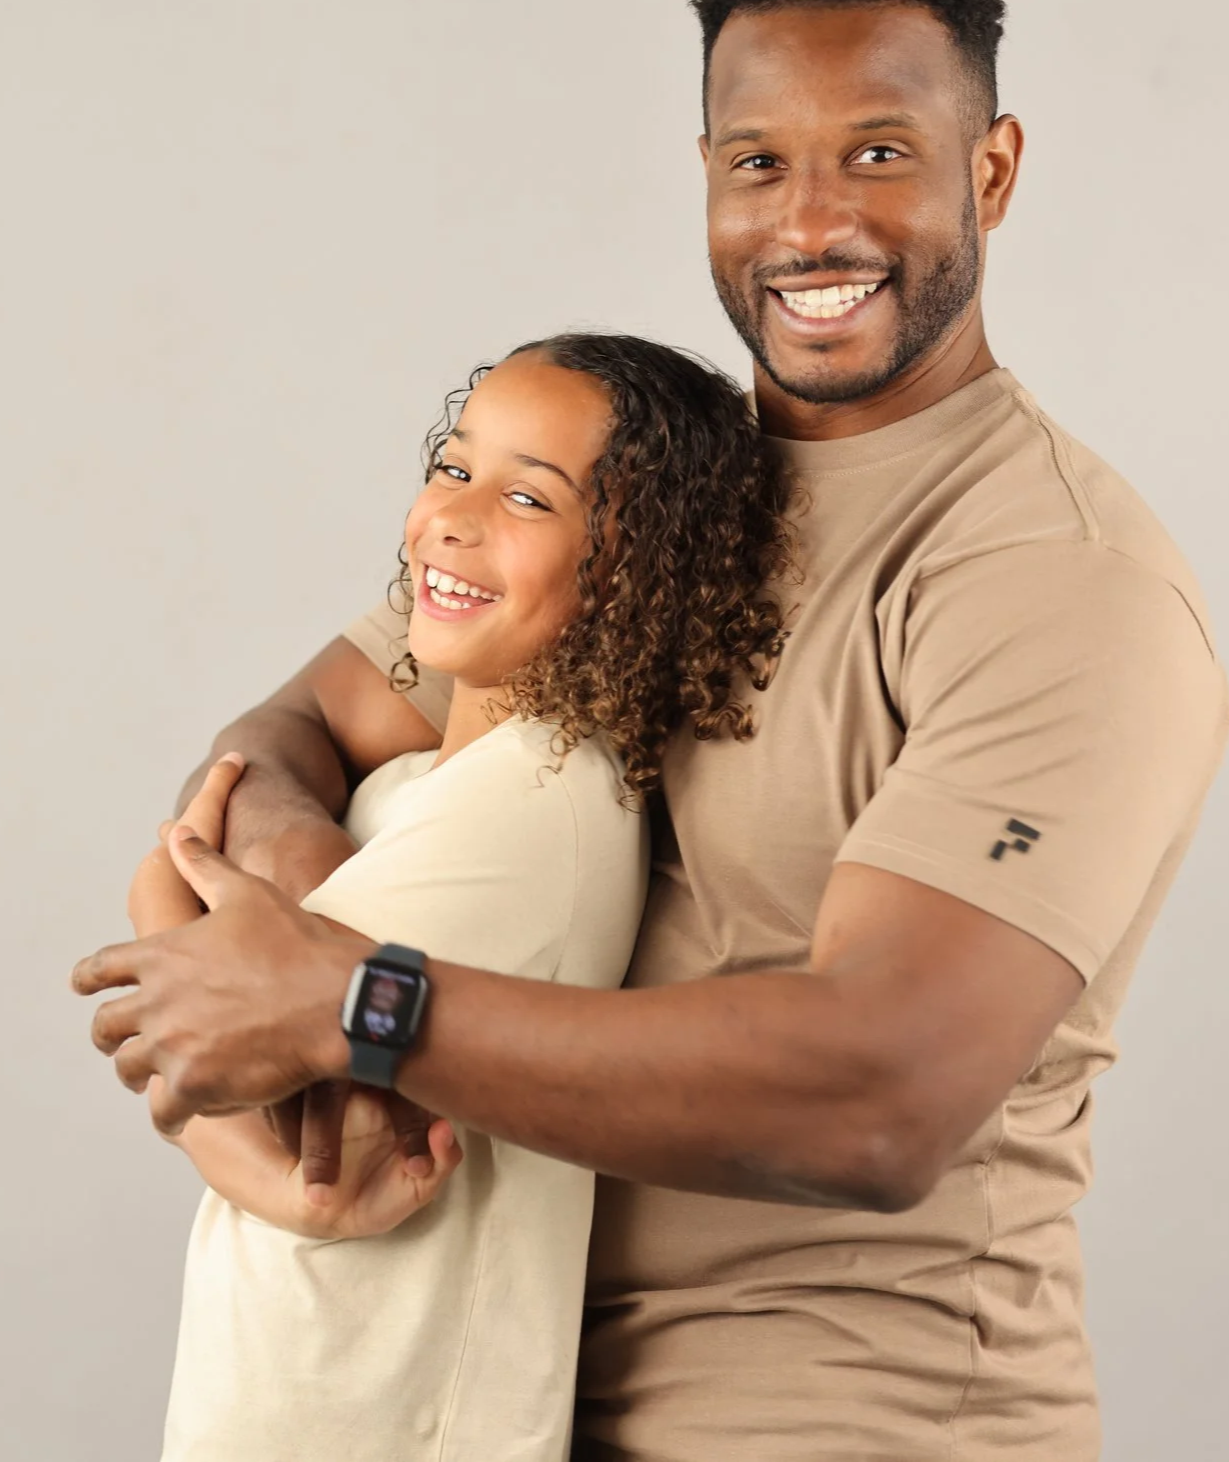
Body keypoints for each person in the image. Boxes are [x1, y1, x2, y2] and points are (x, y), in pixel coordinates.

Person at [76, 0, 1229, 1462]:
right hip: (505, 1388)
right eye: (758, 161)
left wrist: (352, 998)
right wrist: (302, 870)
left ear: (993, 171)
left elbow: (879, 1093)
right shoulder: (642, 489)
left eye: (879, 153)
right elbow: (284, 730)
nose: (811, 222)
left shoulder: (1051, 579)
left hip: (840, 1422)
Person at [124, 333, 795, 1462]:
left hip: (382, 1418)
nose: (454, 513)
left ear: (634, 569)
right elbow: (218, 1031)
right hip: (291, 1386)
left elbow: (219, 1037)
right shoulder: (418, 782)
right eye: (452, 462)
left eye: (528, 496)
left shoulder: (536, 801)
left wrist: (162, 888)